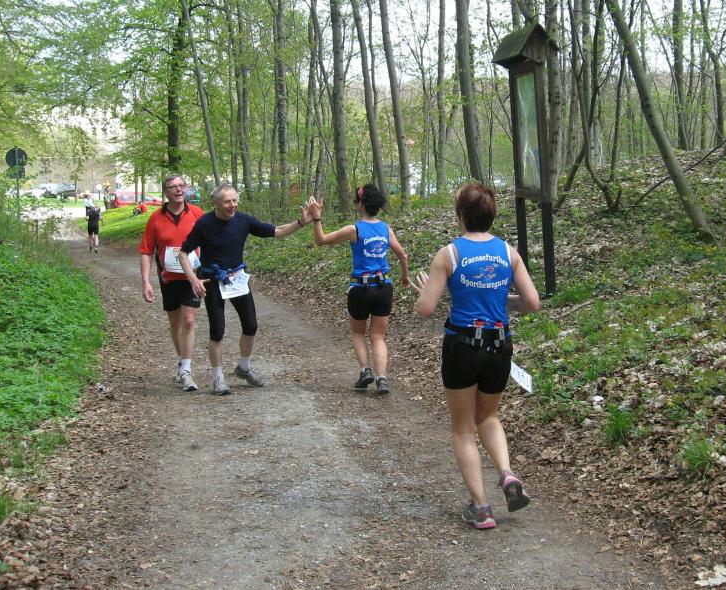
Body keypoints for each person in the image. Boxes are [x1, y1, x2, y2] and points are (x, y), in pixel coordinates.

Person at [410, 182, 541, 530]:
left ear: (460, 215)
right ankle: (507, 474)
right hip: (499, 345)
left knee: (463, 427)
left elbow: (425, 309)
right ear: (491, 215)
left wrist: (424, 292)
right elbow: (532, 302)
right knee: (489, 417)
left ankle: (482, 508)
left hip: (463, 345)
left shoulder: (449, 254)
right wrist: (500, 299)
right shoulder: (509, 253)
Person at [178, 183, 312, 395]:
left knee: (251, 325)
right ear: (216, 203)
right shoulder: (204, 223)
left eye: (235, 200)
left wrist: (301, 222)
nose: (233, 205)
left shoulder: (244, 220)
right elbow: (183, 253)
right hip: (213, 279)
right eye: (227, 202)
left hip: (237, 279)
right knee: (217, 331)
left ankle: (244, 367)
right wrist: (194, 279)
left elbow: (276, 231)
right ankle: (218, 379)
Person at [307, 185, 409, 394]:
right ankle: (382, 379)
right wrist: (405, 277)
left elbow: (321, 240)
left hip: (360, 289)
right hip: (384, 287)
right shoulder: (386, 229)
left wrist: (317, 218)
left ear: (360, 205)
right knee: (378, 337)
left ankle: (365, 371)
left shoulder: (354, 229)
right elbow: (402, 255)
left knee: (358, 333)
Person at [139, 174, 205, 391]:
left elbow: (211, 241)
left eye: (181, 186)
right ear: (165, 192)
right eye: (173, 187)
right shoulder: (155, 218)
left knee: (189, 321)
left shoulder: (197, 214)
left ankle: (186, 370)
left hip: (192, 278)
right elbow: (146, 251)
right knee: (175, 323)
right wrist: (146, 282)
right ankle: (181, 360)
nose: (178, 190)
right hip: (168, 278)